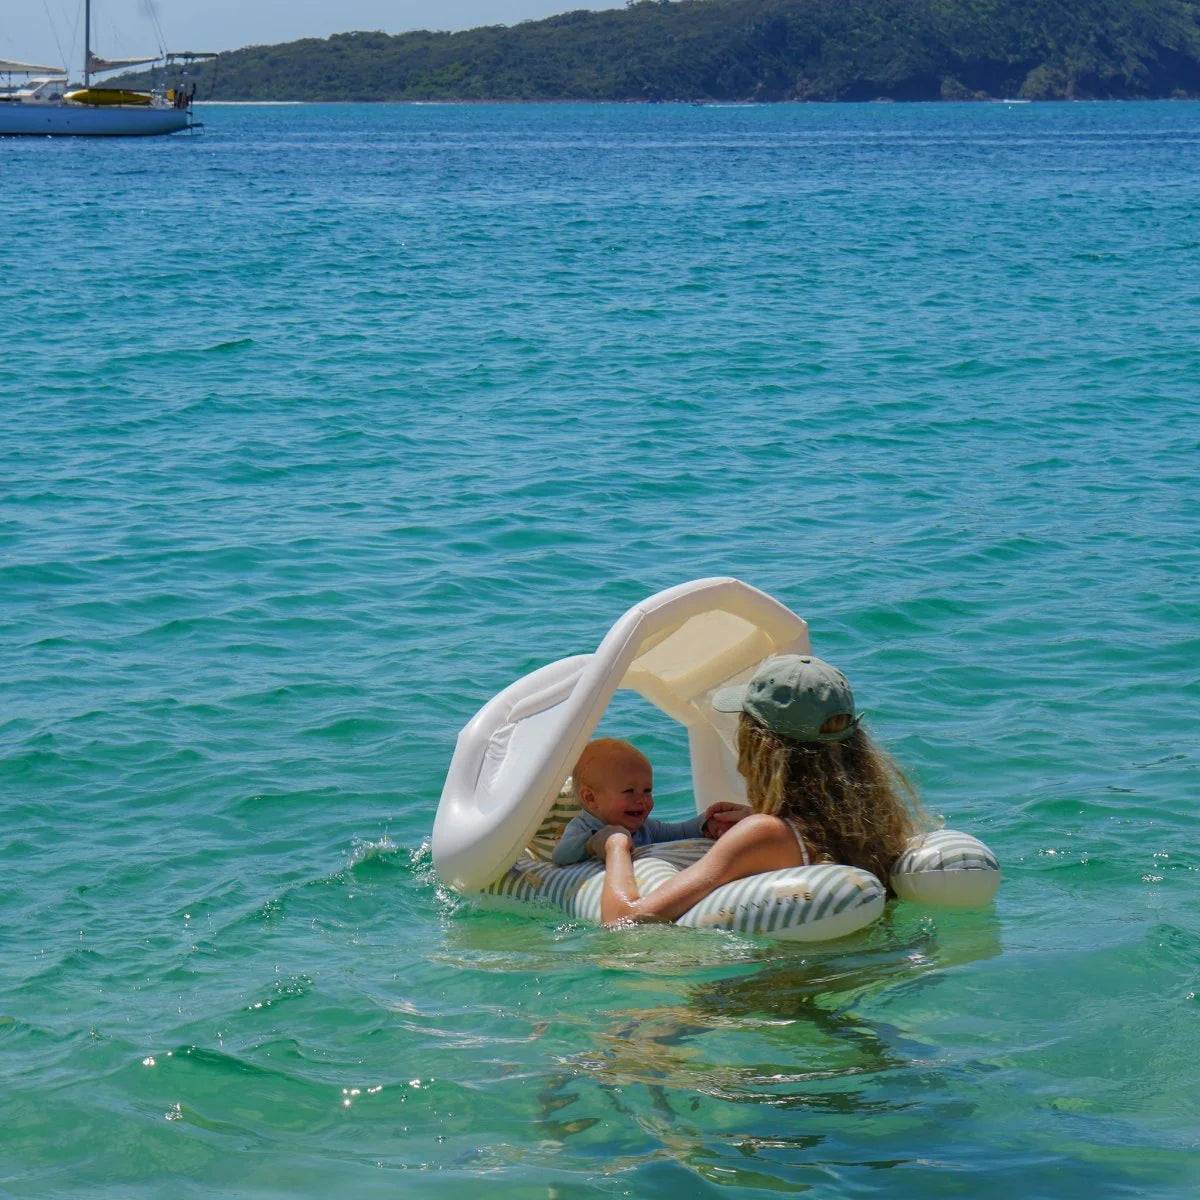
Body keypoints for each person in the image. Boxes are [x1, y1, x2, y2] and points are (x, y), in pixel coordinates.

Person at [597, 654, 926, 924]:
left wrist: (615, 845)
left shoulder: (763, 835)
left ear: (762, 747)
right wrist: (760, 816)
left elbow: (626, 919)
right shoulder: (873, 822)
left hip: (775, 983)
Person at [552, 737, 734, 867]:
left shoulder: (646, 828)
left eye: (647, 791)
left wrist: (707, 822)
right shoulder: (583, 828)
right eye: (629, 791)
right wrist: (592, 843)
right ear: (590, 798)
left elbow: (680, 832)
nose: (642, 800)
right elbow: (560, 855)